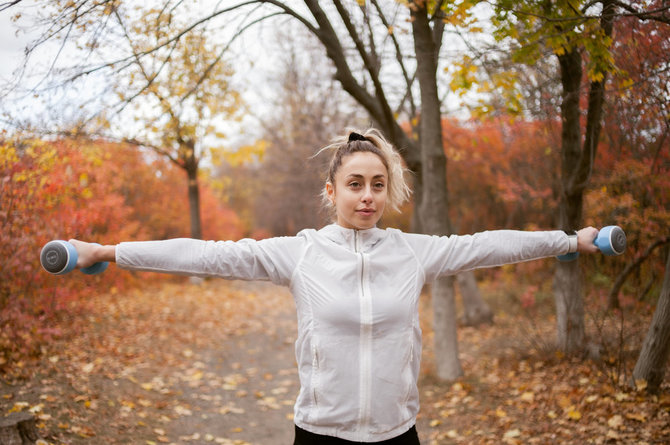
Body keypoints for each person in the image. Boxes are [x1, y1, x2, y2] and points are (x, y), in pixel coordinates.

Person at [69, 128, 599, 444]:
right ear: (331, 191)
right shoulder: (300, 252)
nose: (367, 196)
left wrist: (571, 240)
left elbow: (491, 244)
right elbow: (208, 253)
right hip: (322, 436)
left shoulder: (412, 251)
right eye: (354, 185)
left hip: (397, 434)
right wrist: (112, 252)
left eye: (377, 185)